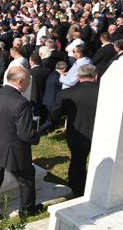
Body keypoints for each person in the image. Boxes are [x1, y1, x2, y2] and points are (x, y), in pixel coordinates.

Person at [0, 66, 41, 222]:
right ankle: (27, 210)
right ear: (21, 81)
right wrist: (37, 136)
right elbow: (26, 134)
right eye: (28, 81)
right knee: (26, 179)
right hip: (14, 149)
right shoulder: (21, 103)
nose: (29, 84)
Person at [39, 64, 99, 197]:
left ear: (78, 77)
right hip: (100, 134)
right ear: (96, 76)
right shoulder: (106, 91)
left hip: (78, 134)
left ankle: (77, 190)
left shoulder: (66, 94)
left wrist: (43, 128)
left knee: (77, 162)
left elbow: (54, 116)